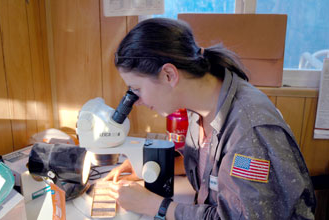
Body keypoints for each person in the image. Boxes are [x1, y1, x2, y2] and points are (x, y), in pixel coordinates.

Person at [104, 17, 316, 219]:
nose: (137, 101)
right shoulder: (202, 107)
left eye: (136, 89)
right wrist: (148, 165)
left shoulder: (249, 133)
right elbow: (210, 168)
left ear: (169, 75)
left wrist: (154, 206)